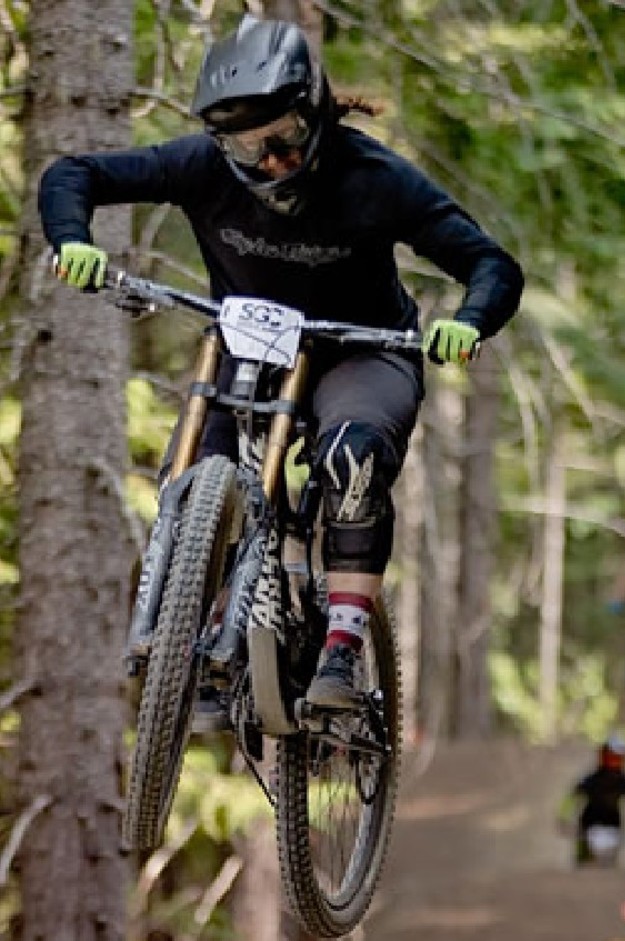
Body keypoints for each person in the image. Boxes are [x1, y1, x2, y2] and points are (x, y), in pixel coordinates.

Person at [39, 15, 523, 717]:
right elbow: (74, 174)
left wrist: (467, 322)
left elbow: (489, 263)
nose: (268, 159)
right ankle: (194, 629)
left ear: (316, 112)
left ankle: (341, 649)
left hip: (363, 348)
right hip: (248, 349)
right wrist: (72, 239)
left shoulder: (375, 178)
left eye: (284, 138)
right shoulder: (200, 168)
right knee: (194, 465)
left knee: (351, 459)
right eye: (244, 142)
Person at [557, 735, 625, 865]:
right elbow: (572, 797)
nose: (613, 762)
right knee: (582, 859)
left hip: (614, 824)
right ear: (602, 757)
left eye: (616, 758)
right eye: (610, 757)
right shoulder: (591, 780)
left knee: (612, 862)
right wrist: (563, 818)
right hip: (589, 823)